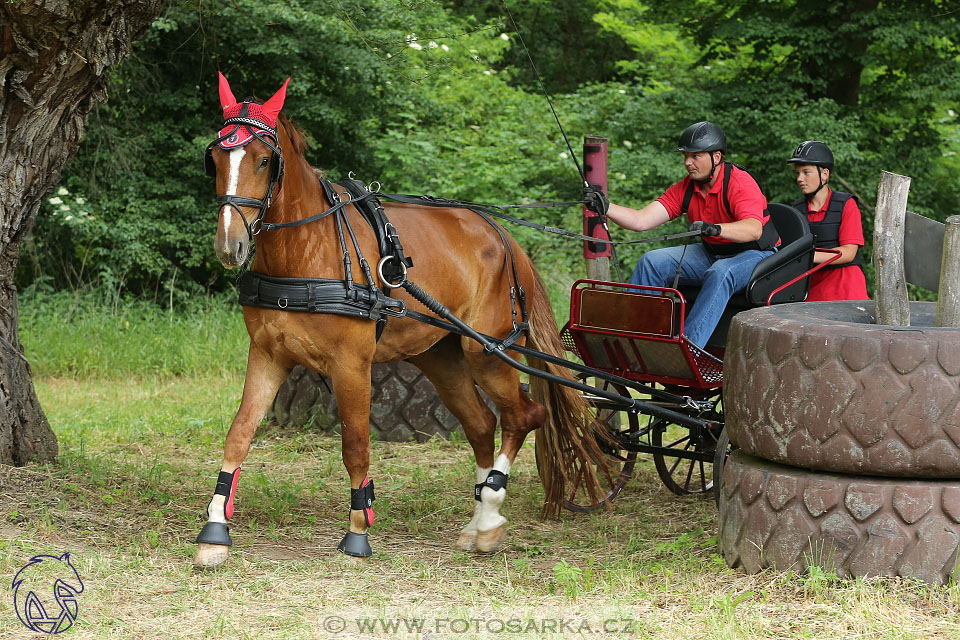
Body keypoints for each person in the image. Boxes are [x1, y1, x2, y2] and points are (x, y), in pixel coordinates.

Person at [583, 121, 778, 349]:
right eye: (686, 156)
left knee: (720, 273)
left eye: (695, 156)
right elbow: (641, 220)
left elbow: (754, 229)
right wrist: (605, 207)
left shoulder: (739, 183)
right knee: (651, 262)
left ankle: (688, 349)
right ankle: (631, 341)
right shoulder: (687, 187)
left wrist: (716, 229)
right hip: (712, 252)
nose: (688, 163)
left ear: (716, 157)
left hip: (757, 254)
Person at [787, 141, 870, 301]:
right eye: (797, 173)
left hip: (846, 288)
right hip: (810, 289)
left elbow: (848, 253)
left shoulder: (846, 204)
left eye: (806, 172)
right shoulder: (796, 209)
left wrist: (807, 256)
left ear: (824, 174)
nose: (800, 178)